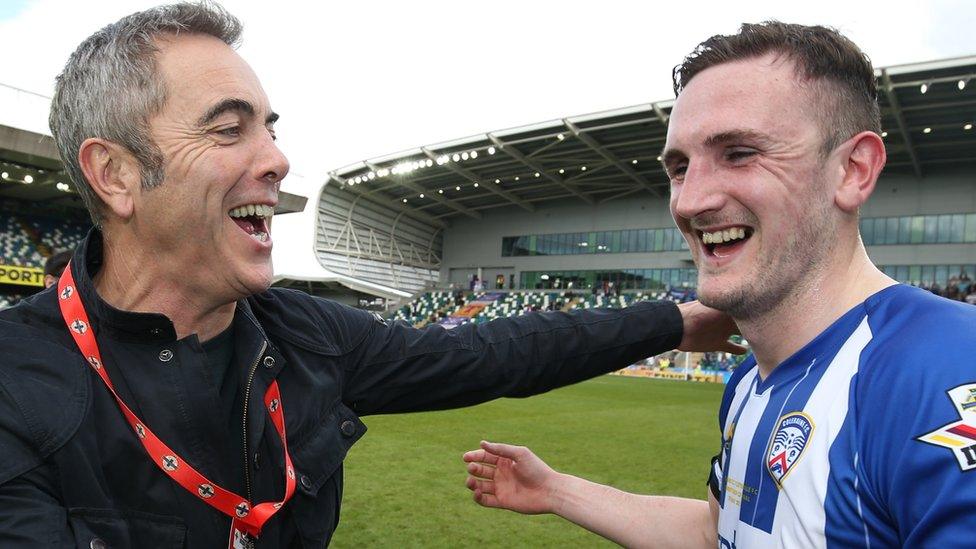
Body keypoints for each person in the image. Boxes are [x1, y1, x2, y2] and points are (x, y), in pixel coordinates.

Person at [0, 3, 741, 547]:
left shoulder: (305, 334)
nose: (277, 158)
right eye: (229, 129)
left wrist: (677, 320)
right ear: (115, 174)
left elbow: (499, 351)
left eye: (270, 126)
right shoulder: (14, 380)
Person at [463, 21, 976, 547]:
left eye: (739, 153)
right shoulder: (749, 383)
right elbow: (717, 532)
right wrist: (556, 491)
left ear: (852, 169)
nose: (689, 202)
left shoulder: (945, 371)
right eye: (680, 167)